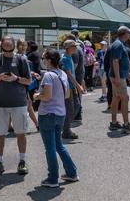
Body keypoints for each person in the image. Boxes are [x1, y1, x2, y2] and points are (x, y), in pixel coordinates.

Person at [0, 36, 32, 177]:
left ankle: (22, 161)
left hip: (19, 103)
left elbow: (29, 81)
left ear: (13, 45)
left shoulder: (21, 60)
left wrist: (16, 78)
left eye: (9, 44)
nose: (7, 47)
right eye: (5, 45)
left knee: (21, 133)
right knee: (0, 134)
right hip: (0, 104)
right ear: (1, 45)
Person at [33, 49, 78, 188]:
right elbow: (65, 95)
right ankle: (72, 172)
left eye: (44, 58)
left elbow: (46, 97)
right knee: (59, 145)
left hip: (48, 114)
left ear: (49, 59)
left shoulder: (48, 75)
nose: (43, 60)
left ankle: (53, 178)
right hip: (60, 114)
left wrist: (37, 96)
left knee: (50, 148)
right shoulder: (62, 73)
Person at [108, 26, 130, 132]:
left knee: (116, 98)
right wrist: (118, 77)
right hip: (118, 77)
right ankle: (126, 124)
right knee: (124, 98)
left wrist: (128, 75)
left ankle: (114, 123)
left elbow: (121, 63)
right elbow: (115, 61)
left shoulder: (119, 43)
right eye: (128, 33)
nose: (129, 35)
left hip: (119, 75)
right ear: (124, 34)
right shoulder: (118, 44)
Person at [60, 40, 83, 140]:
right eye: (74, 46)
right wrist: (78, 86)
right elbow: (69, 75)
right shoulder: (65, 58)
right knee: (70, 109)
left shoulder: (68, 57)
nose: (76, 48)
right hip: (68, 87)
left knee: (76, 107)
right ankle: (66, 130)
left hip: (71, 86)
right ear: (68, 48)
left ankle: (65, 127)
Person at [16, 39, 39, 132]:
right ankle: (37, 125)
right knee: (28, 105)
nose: (23, 47)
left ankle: (10, 126)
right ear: (17, 46)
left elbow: (27, 70)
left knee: (28, 105)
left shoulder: (24, 56)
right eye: (21, 45)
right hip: (18, 85)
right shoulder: (16, 57)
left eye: (24, 45)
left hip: (24, 84)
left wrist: (32, 73)